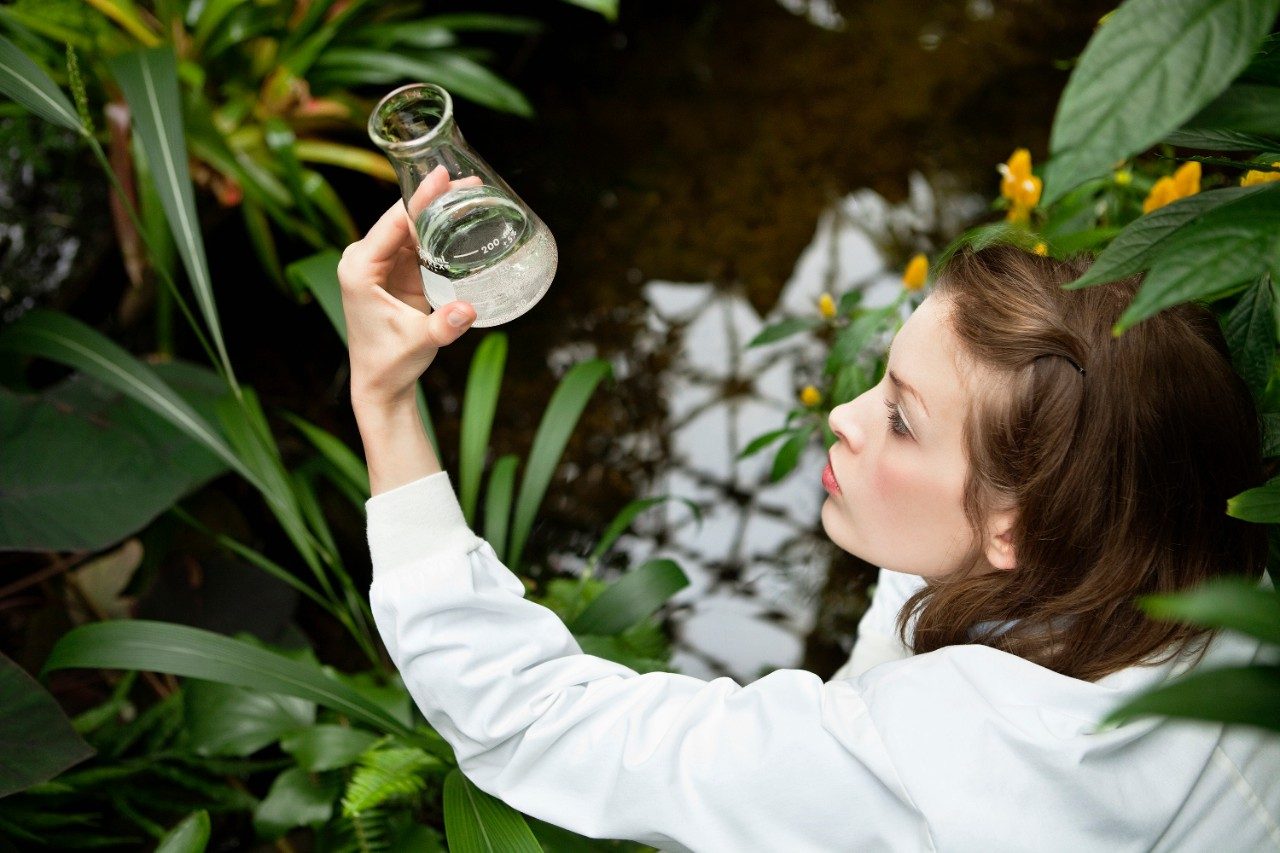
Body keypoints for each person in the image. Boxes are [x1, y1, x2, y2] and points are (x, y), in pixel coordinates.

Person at [339, 166, 1280, 851]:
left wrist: (383, 401)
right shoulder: (1190, 564)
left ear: (1021, 527)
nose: (841, 413)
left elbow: (531, 715)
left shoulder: (932, 767)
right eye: (881, 380)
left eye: (902, 421)